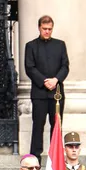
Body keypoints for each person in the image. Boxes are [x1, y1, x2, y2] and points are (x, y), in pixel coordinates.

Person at [24, 15, 70, 158]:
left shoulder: (60, 45)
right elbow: (29, 67)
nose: (47, 32)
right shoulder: (31, 46)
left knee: (56, 125)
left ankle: (55, 156)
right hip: (39, 93)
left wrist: (55, 80)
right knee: (38, 125)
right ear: (39, 28)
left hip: (56, 92)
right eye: (44, 29)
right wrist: (44, 81)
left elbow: (65, 66)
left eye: (49, 29)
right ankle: (35, 157)